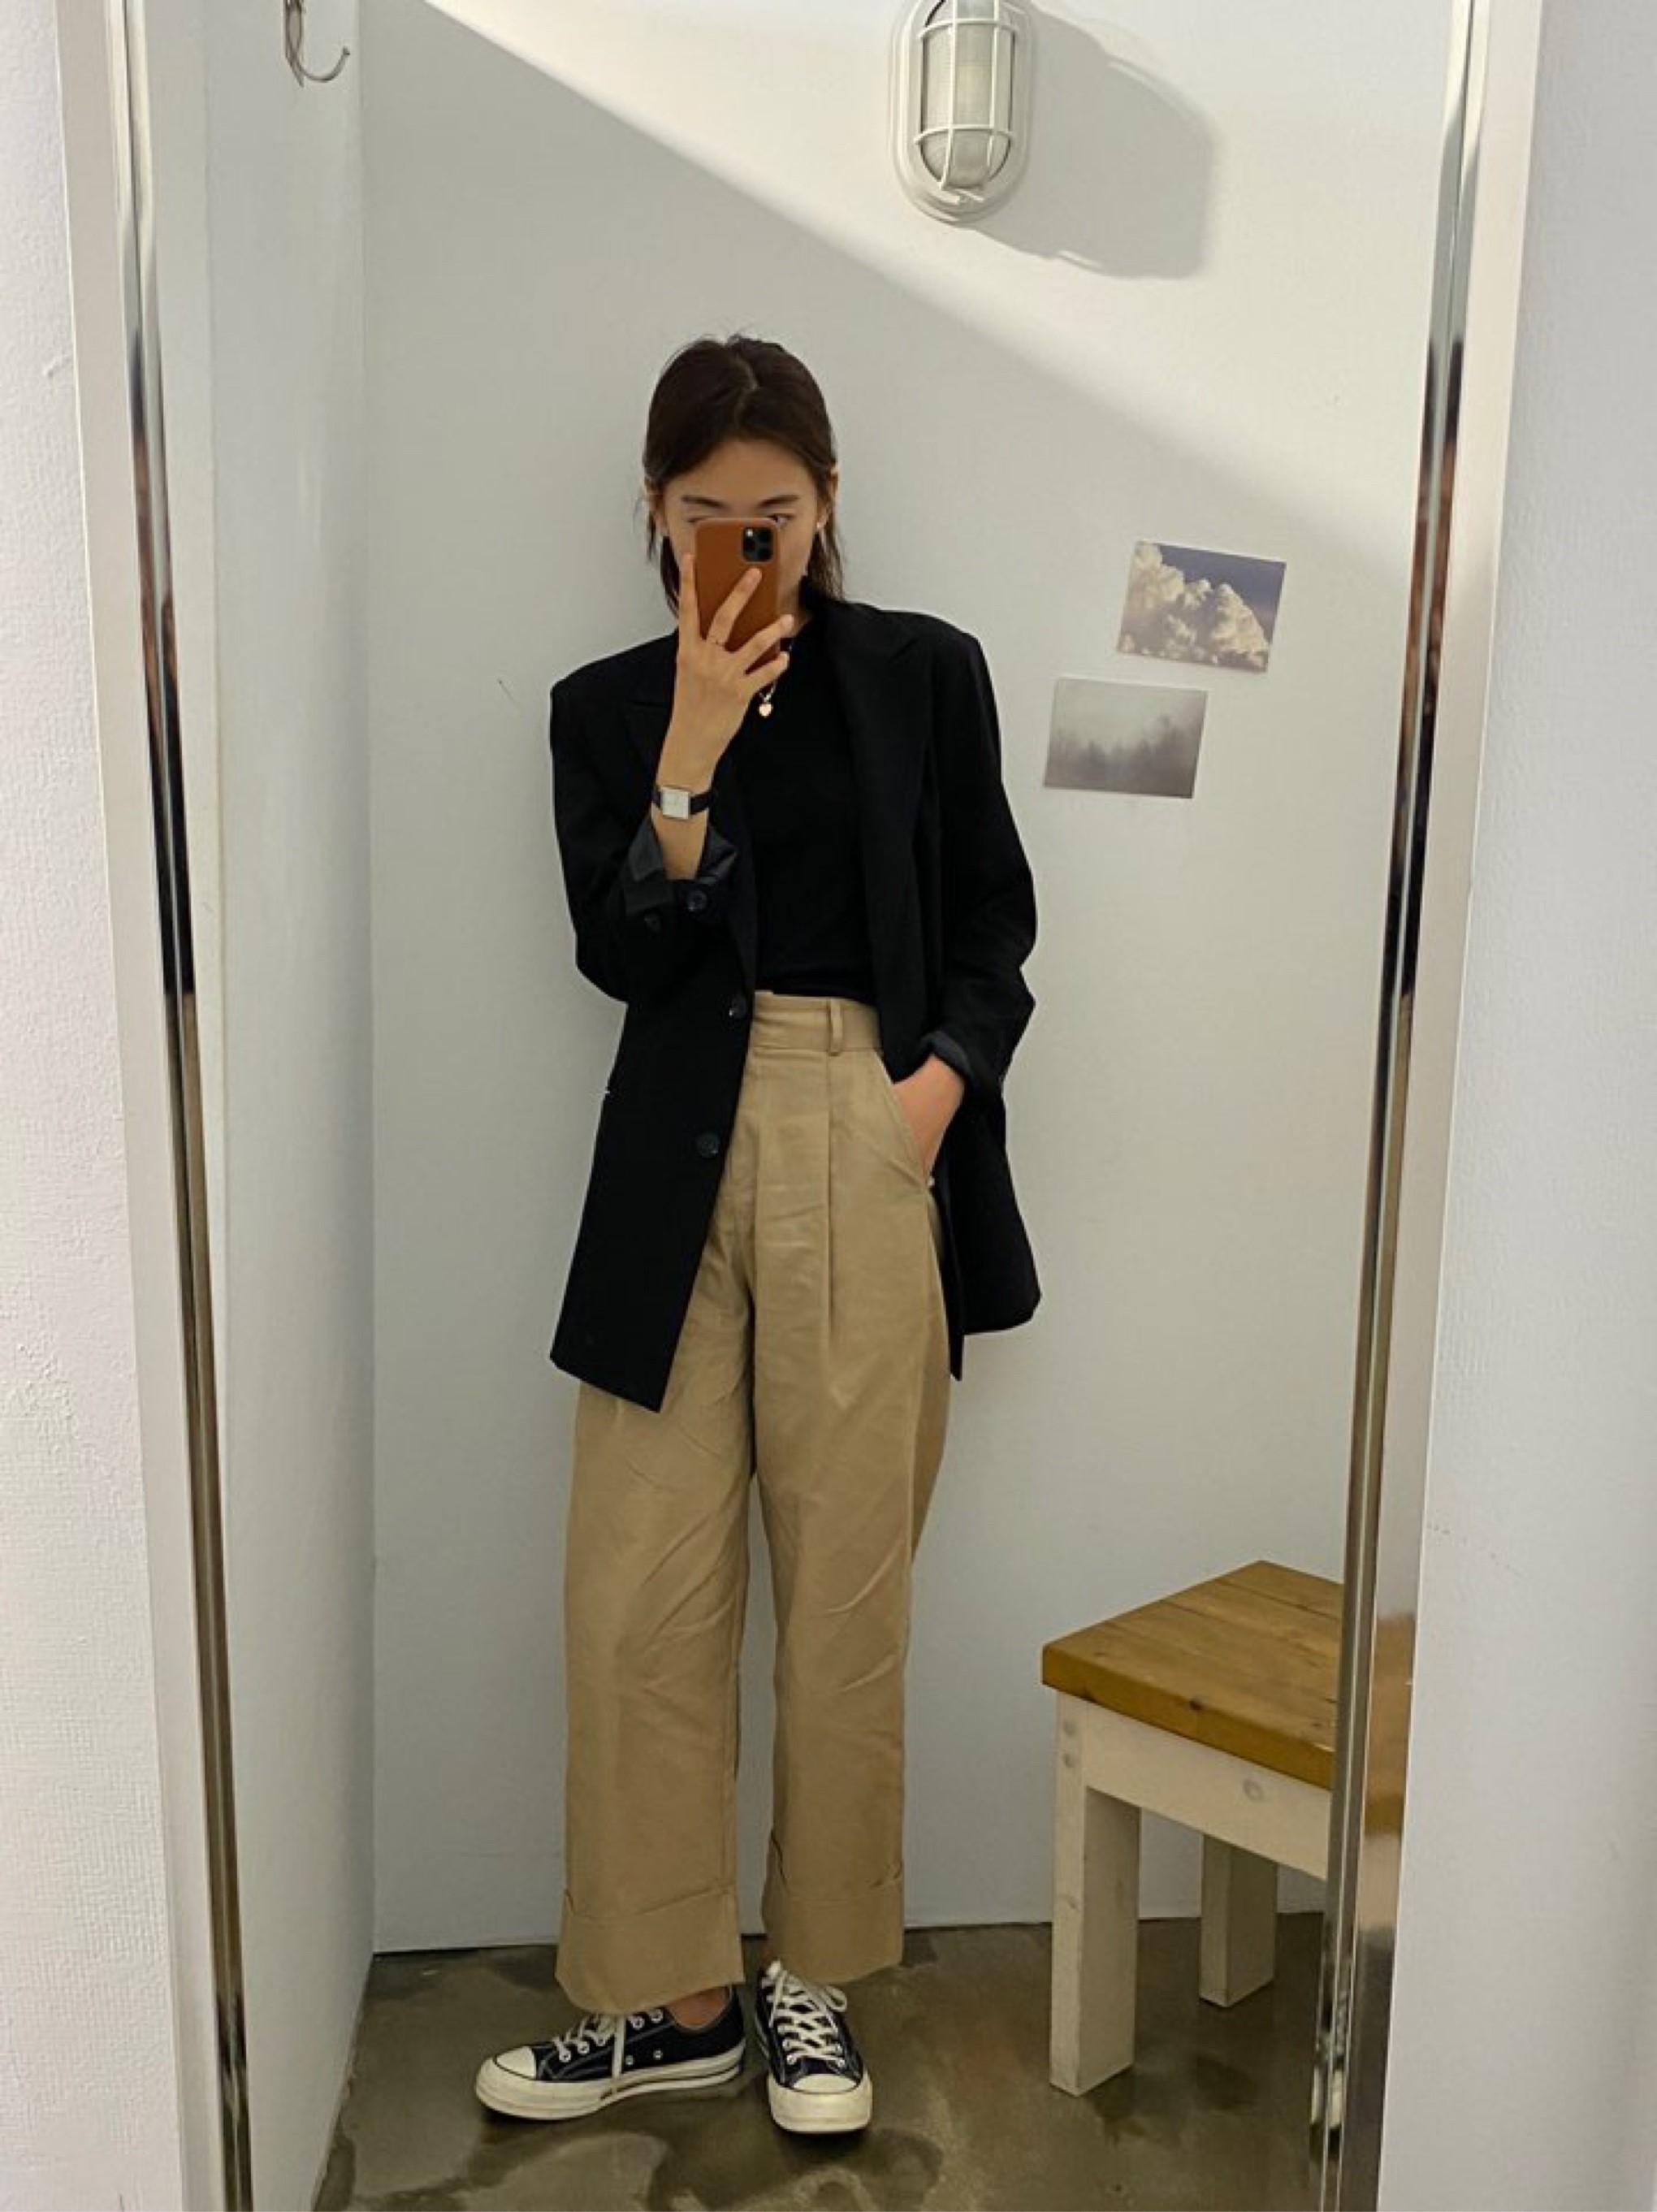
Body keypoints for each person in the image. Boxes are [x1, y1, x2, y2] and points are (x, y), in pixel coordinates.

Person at [476, 334, 1039, 2134]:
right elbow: (624, 956)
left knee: (846, 1594)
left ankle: (813, 1982)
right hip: (672, 1157)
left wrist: (923, 1099)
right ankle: (675, 1998)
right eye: (708, 512)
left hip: (860, 1126)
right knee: (636, 1601)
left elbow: (994, 929)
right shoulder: (601, 706)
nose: (744, 543)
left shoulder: (923, 674)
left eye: (776, 513)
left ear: (829, 501)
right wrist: (690, 753)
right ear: (656, 511)